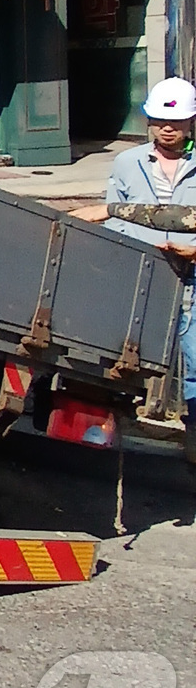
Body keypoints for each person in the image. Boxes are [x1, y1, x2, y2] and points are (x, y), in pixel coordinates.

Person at [95, 77, 196, 464]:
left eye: (178, 121)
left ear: (190, 124)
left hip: (190, 279)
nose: (168, 128)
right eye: (159, 120)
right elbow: (114, 216)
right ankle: (115, 421)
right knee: (126, 353)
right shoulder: (127, 162)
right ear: (148, 121)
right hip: (142, 276)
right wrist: (143, 243)